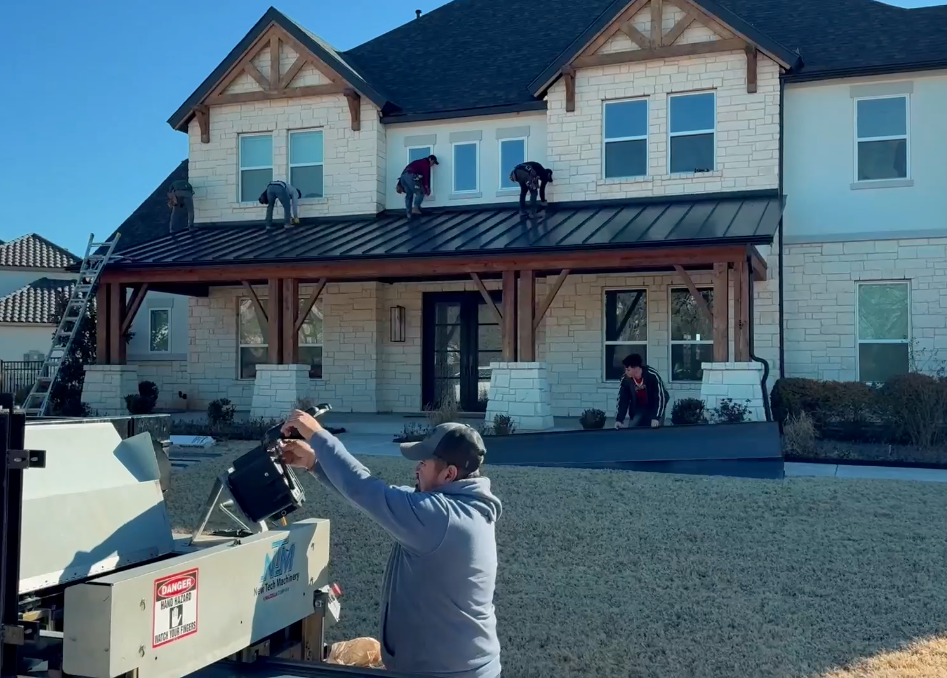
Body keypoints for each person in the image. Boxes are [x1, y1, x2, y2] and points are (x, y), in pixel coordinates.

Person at [278, 412, 502, 678]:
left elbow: (367, 490)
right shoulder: (459, 508)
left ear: (449, 474)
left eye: (423, 463)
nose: (416, 469)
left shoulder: (440, 518)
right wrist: (315, 462)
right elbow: (370, 498)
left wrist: (318, 436)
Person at [615, 353, 669, 429]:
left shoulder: (652, 375)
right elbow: (622, 400)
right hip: (638, 407)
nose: (626, 372)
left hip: (655, 406)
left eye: (628, 369)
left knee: (655, 428)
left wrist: (656, 417)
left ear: (636, 368)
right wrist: (619, 420)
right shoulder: (626, 380)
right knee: (632, 428)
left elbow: (660, 397)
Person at [398, 155, 438, 219]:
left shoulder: (417, 163)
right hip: (411, 176)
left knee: (409, 194)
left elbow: (404, 172)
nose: (432, 165)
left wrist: (399, 183)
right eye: (433, 162)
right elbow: (426, 176)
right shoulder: (425, 163)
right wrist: (427, 188)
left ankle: (409, 213)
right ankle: (416, 208)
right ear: (430, 159)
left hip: (403, 177)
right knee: (421, 192)